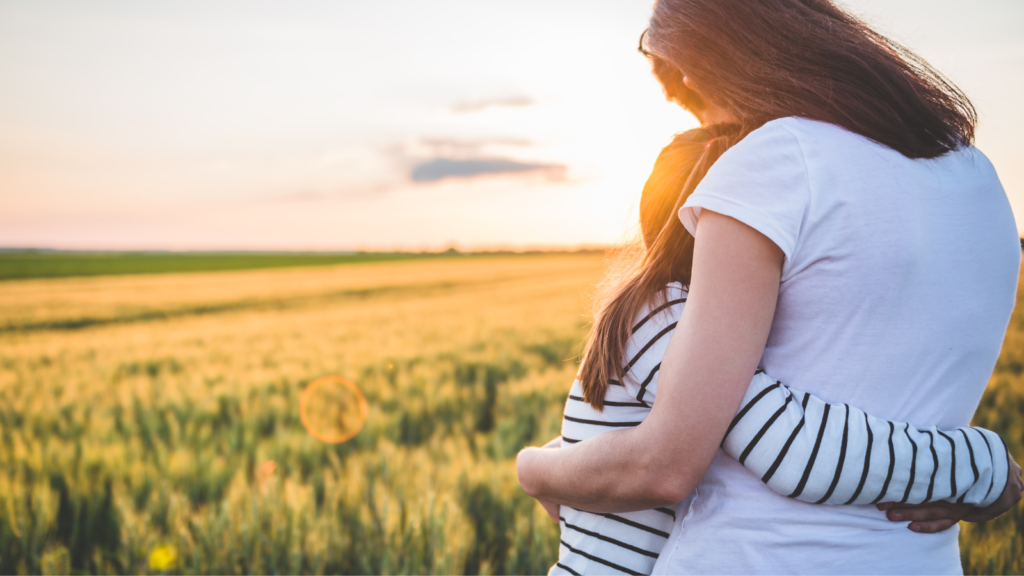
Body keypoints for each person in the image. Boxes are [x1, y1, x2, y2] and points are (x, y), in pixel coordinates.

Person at [517, 0, 1024, 573]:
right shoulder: (979, 177)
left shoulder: (778, 160)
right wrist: (985, 466)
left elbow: (675, 460)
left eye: (694, 105)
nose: (717, 132)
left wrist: (532, 468)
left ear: (700, 70)